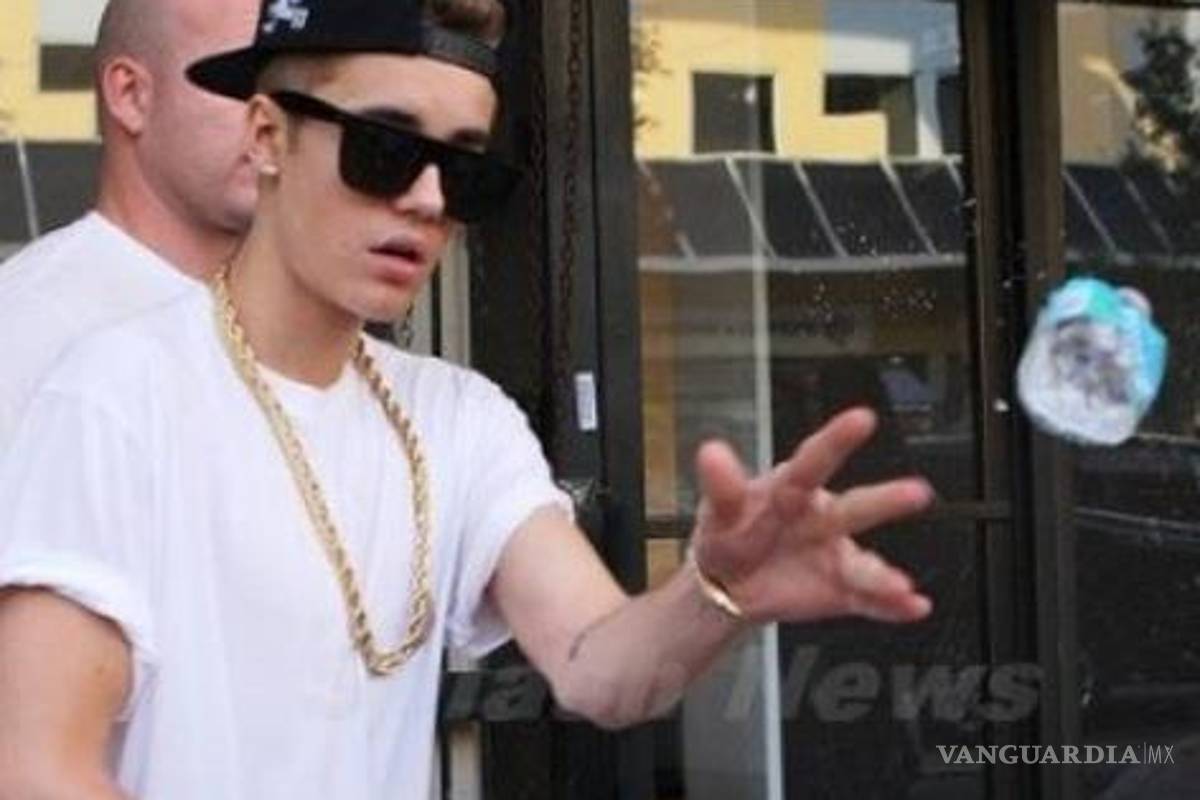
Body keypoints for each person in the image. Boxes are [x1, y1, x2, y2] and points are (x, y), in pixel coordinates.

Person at [0, 0, 935, 797]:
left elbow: (599, 668)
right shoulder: (116, 392)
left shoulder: (457, 418)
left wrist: (716, 594)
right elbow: (40, 769)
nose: (425, 199)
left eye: (465, 170)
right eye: (383, 150)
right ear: (267, 136)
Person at [0, 0, 259, 448]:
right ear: (130, 94)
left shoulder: (310, 325)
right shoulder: (27, 328)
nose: (274, 119)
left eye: (289, 89)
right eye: (239, 82)